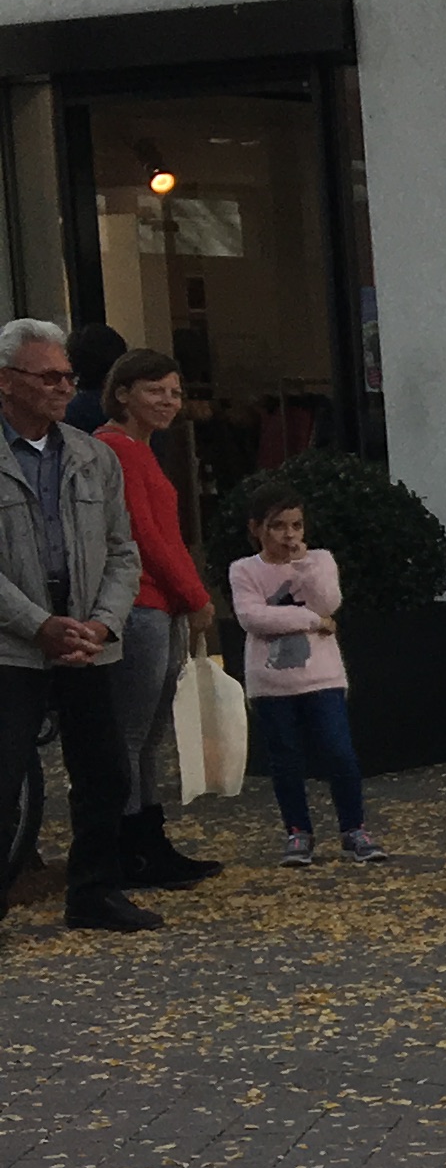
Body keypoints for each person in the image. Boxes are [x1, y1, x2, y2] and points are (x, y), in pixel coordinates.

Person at [0, 316, 158, 933]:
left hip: (87, 641)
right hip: (12, 646)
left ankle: (94, 893)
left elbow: (123, 551)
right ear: (6, 381)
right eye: (49, 377)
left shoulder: (94, 456)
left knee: (105, 773)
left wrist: (104, 624)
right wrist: (37, 624)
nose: (65, 387)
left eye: (68, 376)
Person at [95, 353, 219, 890]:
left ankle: (146, 843)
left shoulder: (136, 449)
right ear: (123, 393)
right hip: (143, 604)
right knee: (132, 735)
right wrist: (195, 596)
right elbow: (147, 536)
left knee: (144, 738)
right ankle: (129, 847)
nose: (169, 401)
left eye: (175, 392)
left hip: (158, 604)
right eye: (156, 390)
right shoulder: (119, 450)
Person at [229, 496, 378, 867]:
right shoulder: (244, 570)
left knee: (339, 751)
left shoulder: (320, 560)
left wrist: (305, 567)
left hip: (322, 677)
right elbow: (253, 618)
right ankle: (298, 831)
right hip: (271, 682)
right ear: (257, 529)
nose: (289, 535)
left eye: (296, 525)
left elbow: (328, 602)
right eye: (278, 526)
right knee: (285, 758)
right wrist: (313, 622)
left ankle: (354, 828)